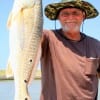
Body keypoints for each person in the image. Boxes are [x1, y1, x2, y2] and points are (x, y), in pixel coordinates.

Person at [40, 0, 100, 100]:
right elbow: (30, 34)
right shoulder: (48, 38)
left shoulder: (96, 45)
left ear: (83, 16)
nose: (70, 17)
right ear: (58, 17)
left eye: (75, 13)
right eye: (65, 14)